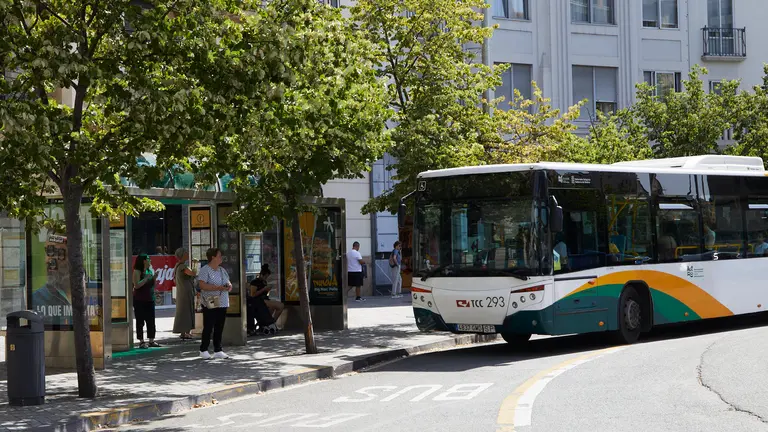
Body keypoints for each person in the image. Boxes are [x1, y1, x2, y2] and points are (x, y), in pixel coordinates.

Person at [196, 247, 232, 359]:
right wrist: (217, 287)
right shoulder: (205, 270)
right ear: (213, 257)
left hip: (222, 301)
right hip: (210, 300)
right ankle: (204, 349)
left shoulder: (222, 270)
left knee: (219, 326)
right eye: (219, 256)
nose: (221, 258)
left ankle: (218, 349)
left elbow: (228, 282)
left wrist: (229, 286)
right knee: (209, 325)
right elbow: (202, 285)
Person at [133, 254, 160, 349]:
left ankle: (151, 340)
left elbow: (152, 284)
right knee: (140, 321)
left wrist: (154, 277)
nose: (150, 261)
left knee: (151, 320)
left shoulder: (149, 270)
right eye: (148, 259)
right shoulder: (137, 271)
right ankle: (141, 341)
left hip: (150, 299)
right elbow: (136, 285)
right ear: (144, 261)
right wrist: (145, 278)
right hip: (139, 300)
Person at [248, 264, 283, 335]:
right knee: (280, 306)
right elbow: (253, 294)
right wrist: (264, 289)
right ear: (262, 275)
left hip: (265, 299)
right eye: (266, 276)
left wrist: (268, 290)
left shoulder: (264, 282)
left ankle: (270, 323)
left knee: (272, 309)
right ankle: (271, 323)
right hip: (259, 301)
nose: (266, 278)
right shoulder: (254, 282)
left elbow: (265, 294)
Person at [172, 248, 197, 340]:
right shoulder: (182, 266)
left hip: (183, 292)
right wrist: (195, 266)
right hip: (185, 292)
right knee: (187, 312)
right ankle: (186, 332)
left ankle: (184, 332)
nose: (187, 254)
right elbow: (193, 273)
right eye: (186, 253)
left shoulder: (178, 266)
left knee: (184, 312)